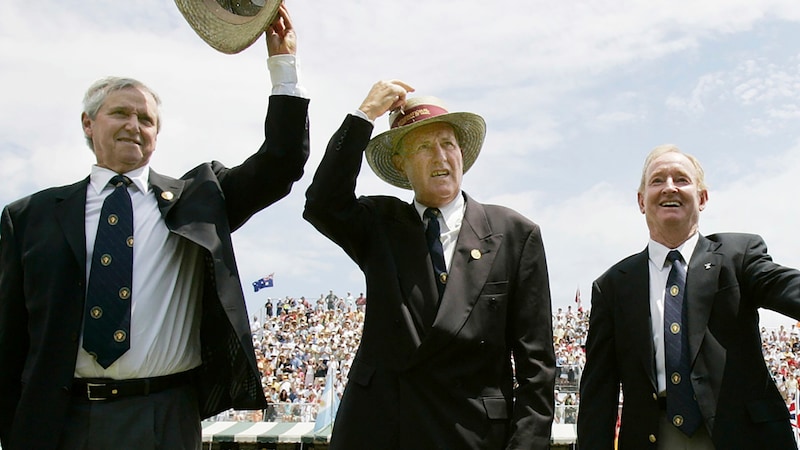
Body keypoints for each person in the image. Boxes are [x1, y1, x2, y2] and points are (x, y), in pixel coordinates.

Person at [0, 5, 309, 449]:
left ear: (157, 134)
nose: (134, 125)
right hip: (59, 417)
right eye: (120, 113)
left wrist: (284, 68)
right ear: (88, 124)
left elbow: (281, 162)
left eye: (146, 119)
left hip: (164, 414)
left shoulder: (198, 199)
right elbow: (8, 339)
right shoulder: (30, 216)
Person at [303, 79, 555, 449]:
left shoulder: (515, 234)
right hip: (384, 432)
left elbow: (537, 371)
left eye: (448, 144)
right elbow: (322, 203)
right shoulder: (379, 225)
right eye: (424, 146)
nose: (440, 157)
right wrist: (363, 116)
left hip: (472, 436)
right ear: (399, 162)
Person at [577, 144, 800, 449]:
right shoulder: (613, 286)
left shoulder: (738, 256)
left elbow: (788, 287)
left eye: (681, 179)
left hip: (743, 436)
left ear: (702, 197)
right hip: (654, 437)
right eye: (657, 181)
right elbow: (598, 394)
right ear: (642, 201)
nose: (669, 187)